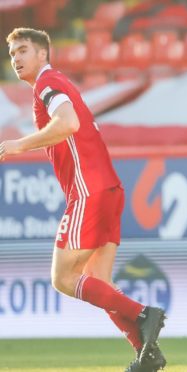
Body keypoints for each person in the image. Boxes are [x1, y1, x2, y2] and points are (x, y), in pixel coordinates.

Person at [2, 28, 167, 372]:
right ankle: (145, 352)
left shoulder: (49, 83)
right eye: (12, 53)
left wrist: (19, 144)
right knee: (98, 284)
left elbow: (68, 123)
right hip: (107, 189)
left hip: (88, 190)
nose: (15, 58)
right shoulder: (53, 84)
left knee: (63, 278)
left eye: (22, 50)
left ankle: (143, 314)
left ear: (43, 54)